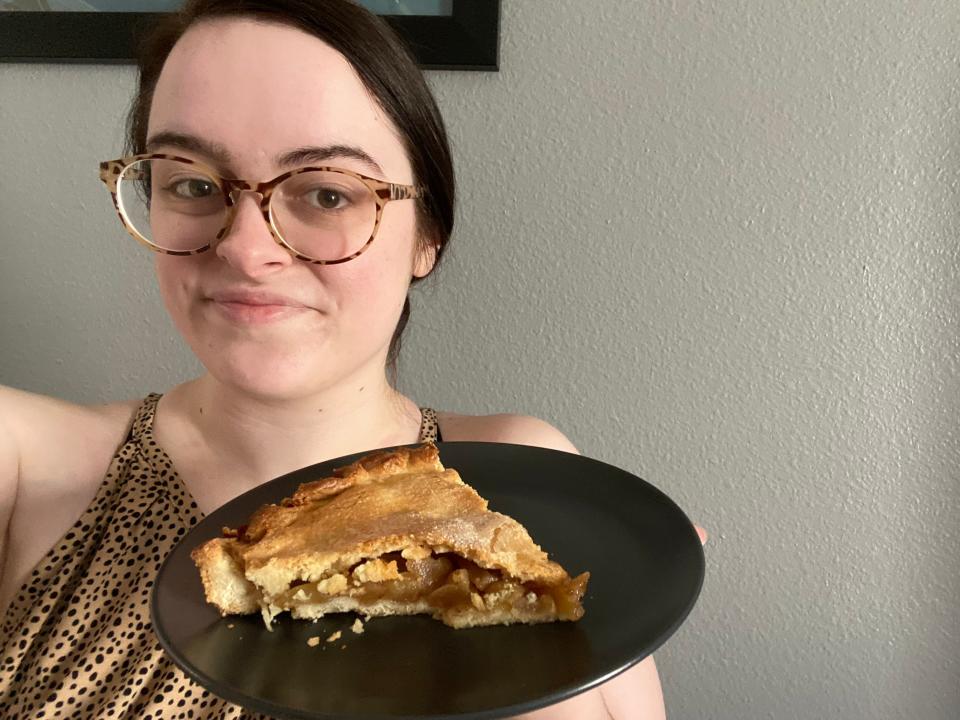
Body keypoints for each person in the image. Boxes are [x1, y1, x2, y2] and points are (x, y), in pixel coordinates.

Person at [0, 1, 703, 717]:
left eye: (328, 193)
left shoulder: (532, 486)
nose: (245, 248)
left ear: (426, 236)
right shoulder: (22, 462)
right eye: (193, 184)